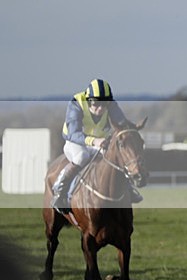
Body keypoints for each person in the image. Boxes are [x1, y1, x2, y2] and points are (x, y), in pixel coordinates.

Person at [51, 79, 141, 215]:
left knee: (117, 156)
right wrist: (94, 141)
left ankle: (128, 188)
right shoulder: (76, 103)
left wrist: (133, 129)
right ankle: (59, 189)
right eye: (96, 104)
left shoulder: (110, 104)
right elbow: (74, 134)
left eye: (104, 104)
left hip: (100, 141)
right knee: (82, 157)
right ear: (88, 100)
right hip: (75, 142)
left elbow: (122, 123)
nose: (100, 108)